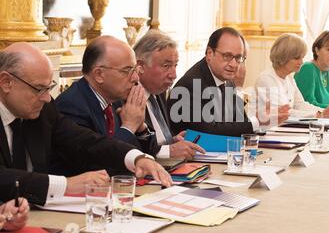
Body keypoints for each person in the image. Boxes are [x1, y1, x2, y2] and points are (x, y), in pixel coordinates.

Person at [0, 43, 172, 206]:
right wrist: (66, 185)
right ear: (6, 82)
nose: (46, 97)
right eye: (38, 89)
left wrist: (135, 157)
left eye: (49, 87)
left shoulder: (42, 109)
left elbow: (84, 140)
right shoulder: (71, 103)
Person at [54, 36, 152, 175]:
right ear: (99, 74)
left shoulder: (116, 97)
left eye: (136, 69)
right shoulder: (72, 105)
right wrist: (129, 127)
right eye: (127, 70)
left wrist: (140, 128)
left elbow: (145, 155)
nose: (136, 78)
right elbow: (99, 166)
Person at [167, 27, 290, 137]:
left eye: (238, 58)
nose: (233, 64)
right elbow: (209, 131)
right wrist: (257, 122)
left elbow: (239, 122)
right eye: (227, 56)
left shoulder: (227, 79)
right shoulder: (193, 84)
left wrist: (261, 121)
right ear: (210, 54)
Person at [134, 30, 205, 160]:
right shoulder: (126, 97)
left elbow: (155, 142)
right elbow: (130, 148)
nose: (174, 75)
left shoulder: (159, 92)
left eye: (175, 65)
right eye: (166, 66)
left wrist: (171, 141)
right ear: (141, 66)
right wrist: (168, 151)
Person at [255, 33, 329, 119]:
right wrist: (319, 115)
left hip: (285, 129)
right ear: (283, 56)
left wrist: (323, 112)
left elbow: (300, 104)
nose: (301, 62)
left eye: (302, 57)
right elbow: (283, 114)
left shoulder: (289, 78)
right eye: (297, 58)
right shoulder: (266, 79)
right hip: (267, 131)